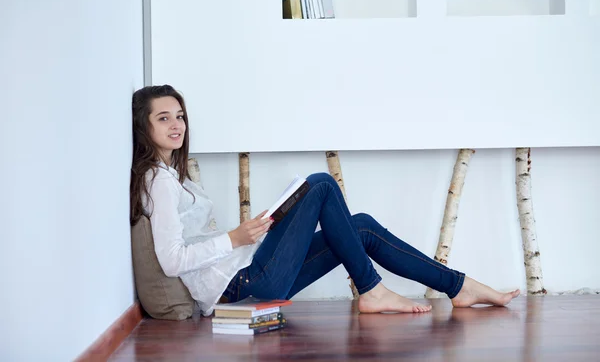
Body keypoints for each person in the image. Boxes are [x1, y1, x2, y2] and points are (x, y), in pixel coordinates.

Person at [130, 85, 520, 317]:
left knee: (361, 226)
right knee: (319, 184)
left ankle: (459, 287)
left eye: (179, 115)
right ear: (144, 127)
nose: (176, 124)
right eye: (163, 118)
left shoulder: (173, 177)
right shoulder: (156, 181)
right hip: (243, 285)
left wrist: (256, 232)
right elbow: (171, 259)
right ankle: (371, 289)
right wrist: (235, 237)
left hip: (249, 272)